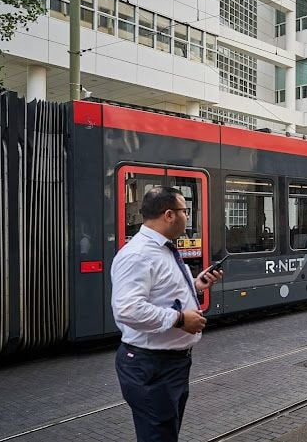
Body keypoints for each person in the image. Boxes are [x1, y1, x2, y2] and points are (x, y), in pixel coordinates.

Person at [111, 186, 223, 441]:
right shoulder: (138, 254)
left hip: (169, 364)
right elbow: (128, 309)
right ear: (169, 215)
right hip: (151, 366)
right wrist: (180, 319)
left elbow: (161, 292)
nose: (188, 216)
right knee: (158, 435)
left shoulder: (162, 248)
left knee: (165, 432)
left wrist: (196, 284)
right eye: (186, 210)